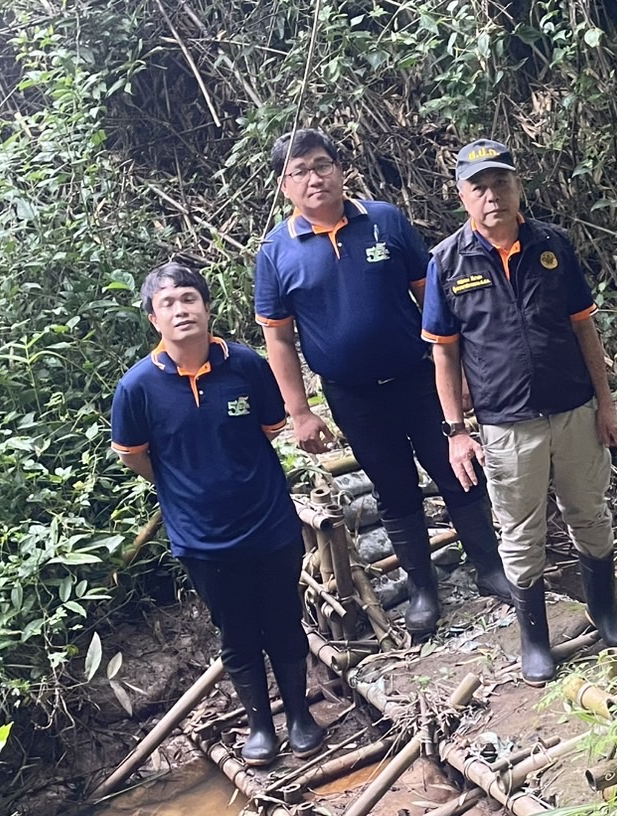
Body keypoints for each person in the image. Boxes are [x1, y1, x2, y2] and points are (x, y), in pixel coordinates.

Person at [254, 128, 511, 640]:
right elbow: (279, 341)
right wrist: (299, 412)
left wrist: (455, 377)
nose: (314, 178)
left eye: (321, 164)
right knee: (394, 489)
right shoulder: (276, 252)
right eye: (299, 171)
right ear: (285, 186)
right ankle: (422, 590)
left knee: (456, 469)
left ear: (340, 169)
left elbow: (433, 302)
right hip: (354, 395)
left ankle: (488, 566)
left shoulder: (385, 221)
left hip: (418, 376)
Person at [421, 138, 617, 686]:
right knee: (519, 530)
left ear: (518, 189)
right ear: (462, 197)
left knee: (590, 512)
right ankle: (534, 639)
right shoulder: (447, 262)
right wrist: (455, 431)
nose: (491, 196)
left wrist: (605, 403)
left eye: (501, 183)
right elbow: (443, 350)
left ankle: (605, 614)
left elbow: (583, 324)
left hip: (574, 411)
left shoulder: (553, 245)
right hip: (506, 422)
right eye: (479, 187)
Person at [111, 262, 324, 766]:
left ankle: (299, 715)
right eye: (168, 303)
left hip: (268, 521)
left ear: (207, 308)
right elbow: (134, 454)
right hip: (201, 537)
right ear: (153, 319)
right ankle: (259, 726)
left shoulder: (245, 365)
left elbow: (271, 427)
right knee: (236, 629)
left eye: (189, 299)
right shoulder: (137, 388)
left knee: (282, 617)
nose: (181, 310)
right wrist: (185, 487)